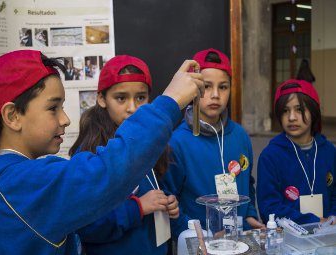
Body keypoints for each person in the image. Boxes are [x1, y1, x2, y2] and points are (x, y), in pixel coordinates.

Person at [0, 50, 204, 254]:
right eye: (53, 108)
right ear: (12, 116)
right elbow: (108, 171)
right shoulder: (22, 183)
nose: (65, 119)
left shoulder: (10, 182)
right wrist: (170, 101)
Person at [70, 55, 179, 255]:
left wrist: (167, 203)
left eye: (140, 97)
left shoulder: (152, 142)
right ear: (102, 99)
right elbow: (86, 225)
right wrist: (137, 208)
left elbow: (151, 189)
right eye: (121, 98)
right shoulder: (90, 153)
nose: (132, 108)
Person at [161, 48, 263, 239]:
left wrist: (249, 214)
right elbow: (169, 199)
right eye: (206, 86)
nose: (215, 95)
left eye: (223, 87)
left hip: (237, 239)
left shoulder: (240, 136)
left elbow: (248, 184)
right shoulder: (177, 141)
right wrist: (195, 234)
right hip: (198, 241)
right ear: (193, 88)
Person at [257, 79, 336, 224]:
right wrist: (313, 221)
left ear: (313, 111)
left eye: (299, 109)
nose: (292, 117)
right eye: (285, 111)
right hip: (287, 238)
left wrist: (332, 218)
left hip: (328, 236)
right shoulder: (270, 156)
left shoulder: (329, 151)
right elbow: (268, 207)